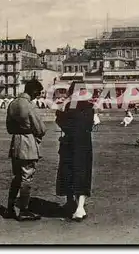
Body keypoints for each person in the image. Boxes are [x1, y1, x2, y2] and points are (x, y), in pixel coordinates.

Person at [5, 79, 47, 221]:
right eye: (38, 93)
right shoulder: (29, 106)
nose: (38, 96)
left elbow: (9, 128)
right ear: (34, 92)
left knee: (16, 177)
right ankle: (24, 210)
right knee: (26, 178)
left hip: (15, 142)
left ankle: (9, 208)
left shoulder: (12, 104)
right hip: (28, 143)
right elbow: (41, 129)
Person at [55, 82, 95, 221]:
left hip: (69, 143)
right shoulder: (89, 107)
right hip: (84, 144)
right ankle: (80, 207)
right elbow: (90, 125)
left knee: (68, 172)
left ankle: (71, 202)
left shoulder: (67, 107)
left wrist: (62, 106)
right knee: (82, 173)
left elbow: (62, 123)